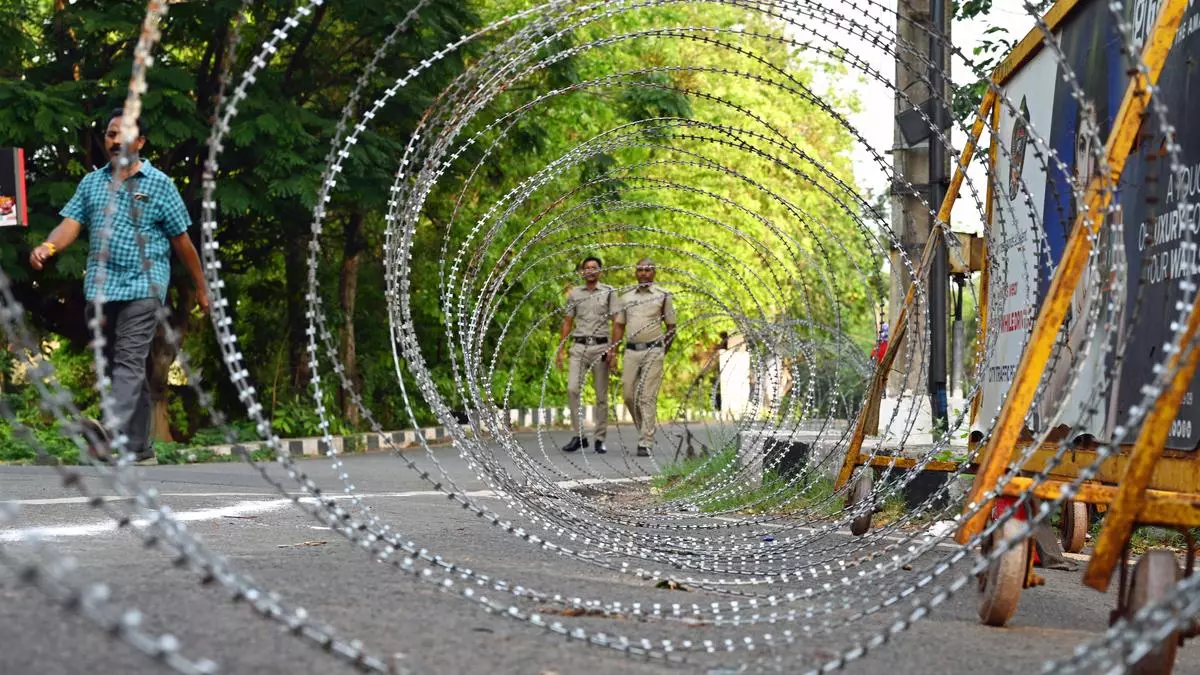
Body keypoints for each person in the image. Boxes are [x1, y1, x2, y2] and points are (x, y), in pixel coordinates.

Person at [29, 109, 210, 465]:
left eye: (123, 134)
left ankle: (112, 431)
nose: (115, 141)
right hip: (101, 290)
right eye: (110, 134)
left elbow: (183, 242)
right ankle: (140, 449)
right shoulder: (91, 184)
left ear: (139, 143)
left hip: (145, 287)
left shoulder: (160, 185)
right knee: (121, 366)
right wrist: (49, 246)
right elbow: (70, 224)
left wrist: (202, 287)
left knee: (128, 360)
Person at [610, 258, 676, 457]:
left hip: (654, 350)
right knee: (629, 395)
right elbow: (619, 326)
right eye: (640, 270)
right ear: (635, 273)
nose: (644, 274)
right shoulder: (626, 297)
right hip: (631, 351)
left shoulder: (663, 296)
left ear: (654, 272)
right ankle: (645, 430)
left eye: (648, 270)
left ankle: (646, 440)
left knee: (647, 396)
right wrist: (613, 351)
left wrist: (663, 349)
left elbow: (671, 327)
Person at [555, 256, 616, 453]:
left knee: (601, 396)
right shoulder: (575, 294)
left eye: (594, 267)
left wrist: (613, 350)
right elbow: (567, 322)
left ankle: (600, 438)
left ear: (600, 271)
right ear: (582, 272)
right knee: (572, 389)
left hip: (601, 347)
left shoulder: (609, 293)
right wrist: (561, 350)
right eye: (587, 268)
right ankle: (579, 435)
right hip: (579, 347)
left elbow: (617, 322)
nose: (590, 271)